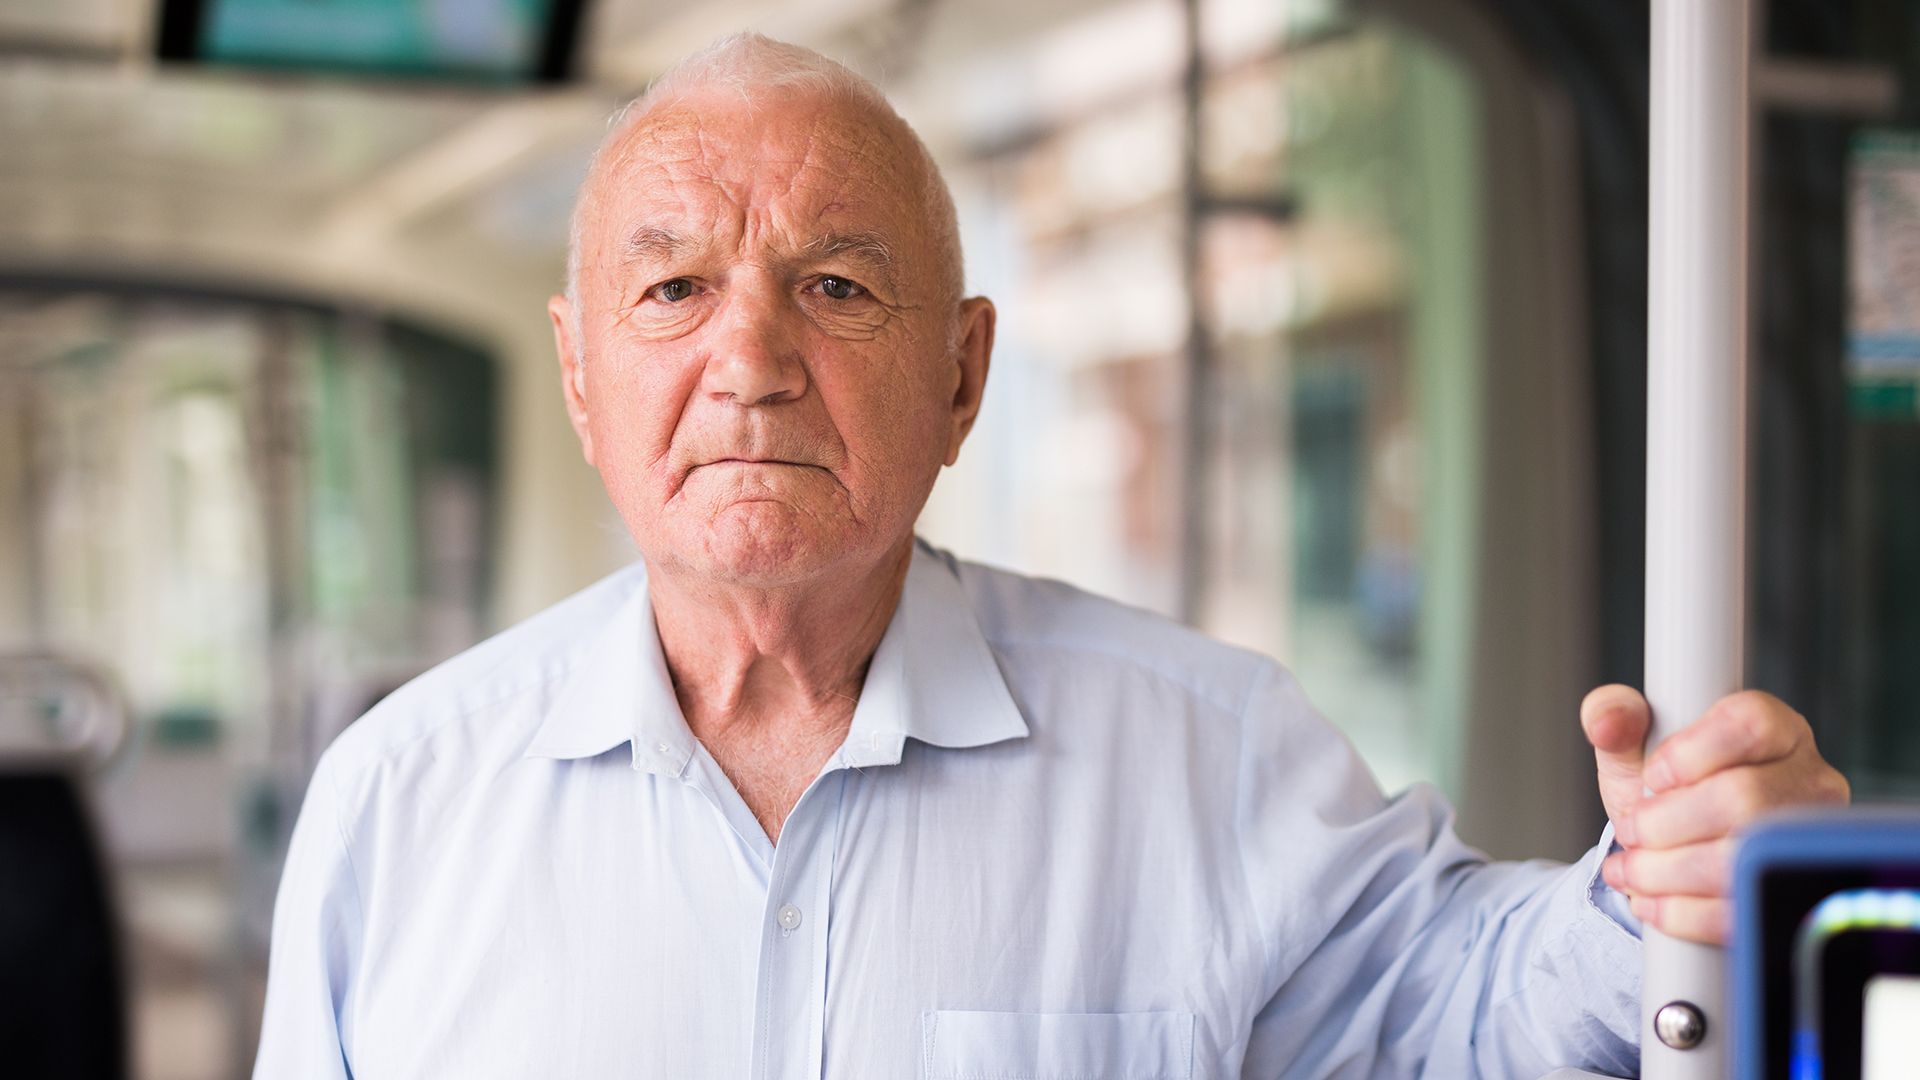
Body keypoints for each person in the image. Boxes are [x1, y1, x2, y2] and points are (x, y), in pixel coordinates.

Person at [252, 33, 1849, 1079]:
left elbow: (1469, 1015)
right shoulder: (399, 805)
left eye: (834, 288)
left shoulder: (1207, 752)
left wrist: (1671, 885)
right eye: (671, 292)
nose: (747, 360)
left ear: (962, 377)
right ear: (581, 375)